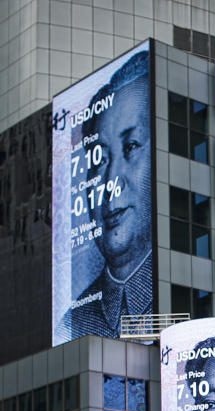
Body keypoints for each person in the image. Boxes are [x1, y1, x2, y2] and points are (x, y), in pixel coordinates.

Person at [56, 50, 153, 342]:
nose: (110, 181)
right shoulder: (69, 326)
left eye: (131, 146)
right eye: (100, 159)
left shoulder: (186, 297)